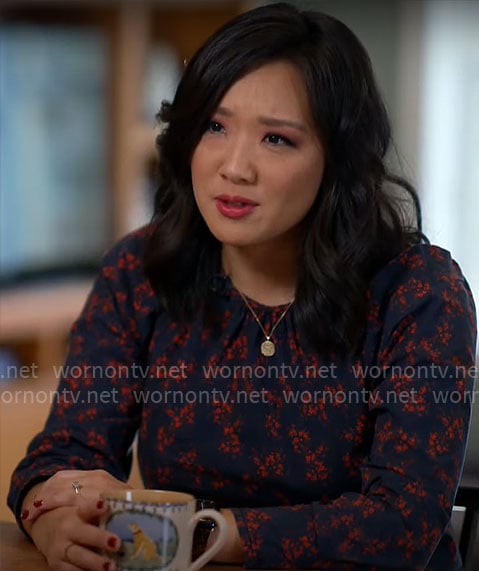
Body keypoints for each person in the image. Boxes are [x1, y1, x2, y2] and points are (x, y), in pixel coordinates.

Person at [8, 3, 477, 570]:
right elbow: (60, 458)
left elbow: (401, 525)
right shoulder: (142, 269)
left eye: (276, 139)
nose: (234, 167)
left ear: (339, 160)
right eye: (215, 126)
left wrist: (211, 535)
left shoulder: (419, 293)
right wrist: (53, 513)